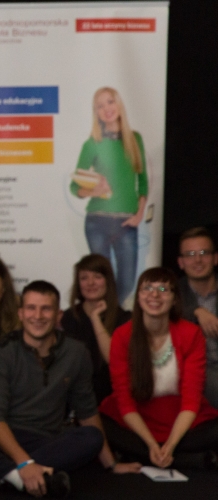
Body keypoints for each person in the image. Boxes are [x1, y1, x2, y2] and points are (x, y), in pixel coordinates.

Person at [0, 281, 140, 497]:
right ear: (20, 313)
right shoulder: (0, 350)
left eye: (46, 309)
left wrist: (111, 465)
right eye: (31, 308)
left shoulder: (76, 353)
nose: (37, 316)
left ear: (58, 315)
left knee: (92, 437)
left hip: (43, 441)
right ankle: (16, 476)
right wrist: (24, 463)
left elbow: (87, 411)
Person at [99, 267, 218, 469]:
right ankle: (185, 459)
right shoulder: (122, 335)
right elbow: (125, 403)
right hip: (137, 418)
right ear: (138, 298)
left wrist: (170, 445)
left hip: (180, 417)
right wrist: (152, 444)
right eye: (147, 288)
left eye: (163, 289)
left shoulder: (191, 334)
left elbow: (191, 401)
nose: (154, 295)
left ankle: (149, 456)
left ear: (175, 299)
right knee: (98, 427)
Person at [71, 87, 148, 304]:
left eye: (110, 102)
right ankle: (105, 320)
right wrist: (93, 191)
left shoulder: (135, 139)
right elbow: (74, 186)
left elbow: (142, 182)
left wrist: (139, 214)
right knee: (100, 283)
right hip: (97, 222)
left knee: (127, 282)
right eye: (100, 106)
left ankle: (109, 317)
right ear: (96, 113)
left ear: (119, 104)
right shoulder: (92, 144)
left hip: (126, 223)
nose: (106, 109)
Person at [61, 254, 131, 403]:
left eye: (97, 277)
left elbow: (114, 360)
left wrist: (95, 318)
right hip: (76, 397)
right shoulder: (69, 317)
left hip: (111, 398)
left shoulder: (124, 319)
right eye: (84, 278)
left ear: (108, 281)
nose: (90, 283)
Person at [177, 227, 218, 408]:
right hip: (196, 370)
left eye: (203, 253)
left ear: (215, 258)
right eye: (190, 255)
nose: (198, 260)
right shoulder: (171, 292)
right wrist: (196, 311)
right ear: (181, 262)